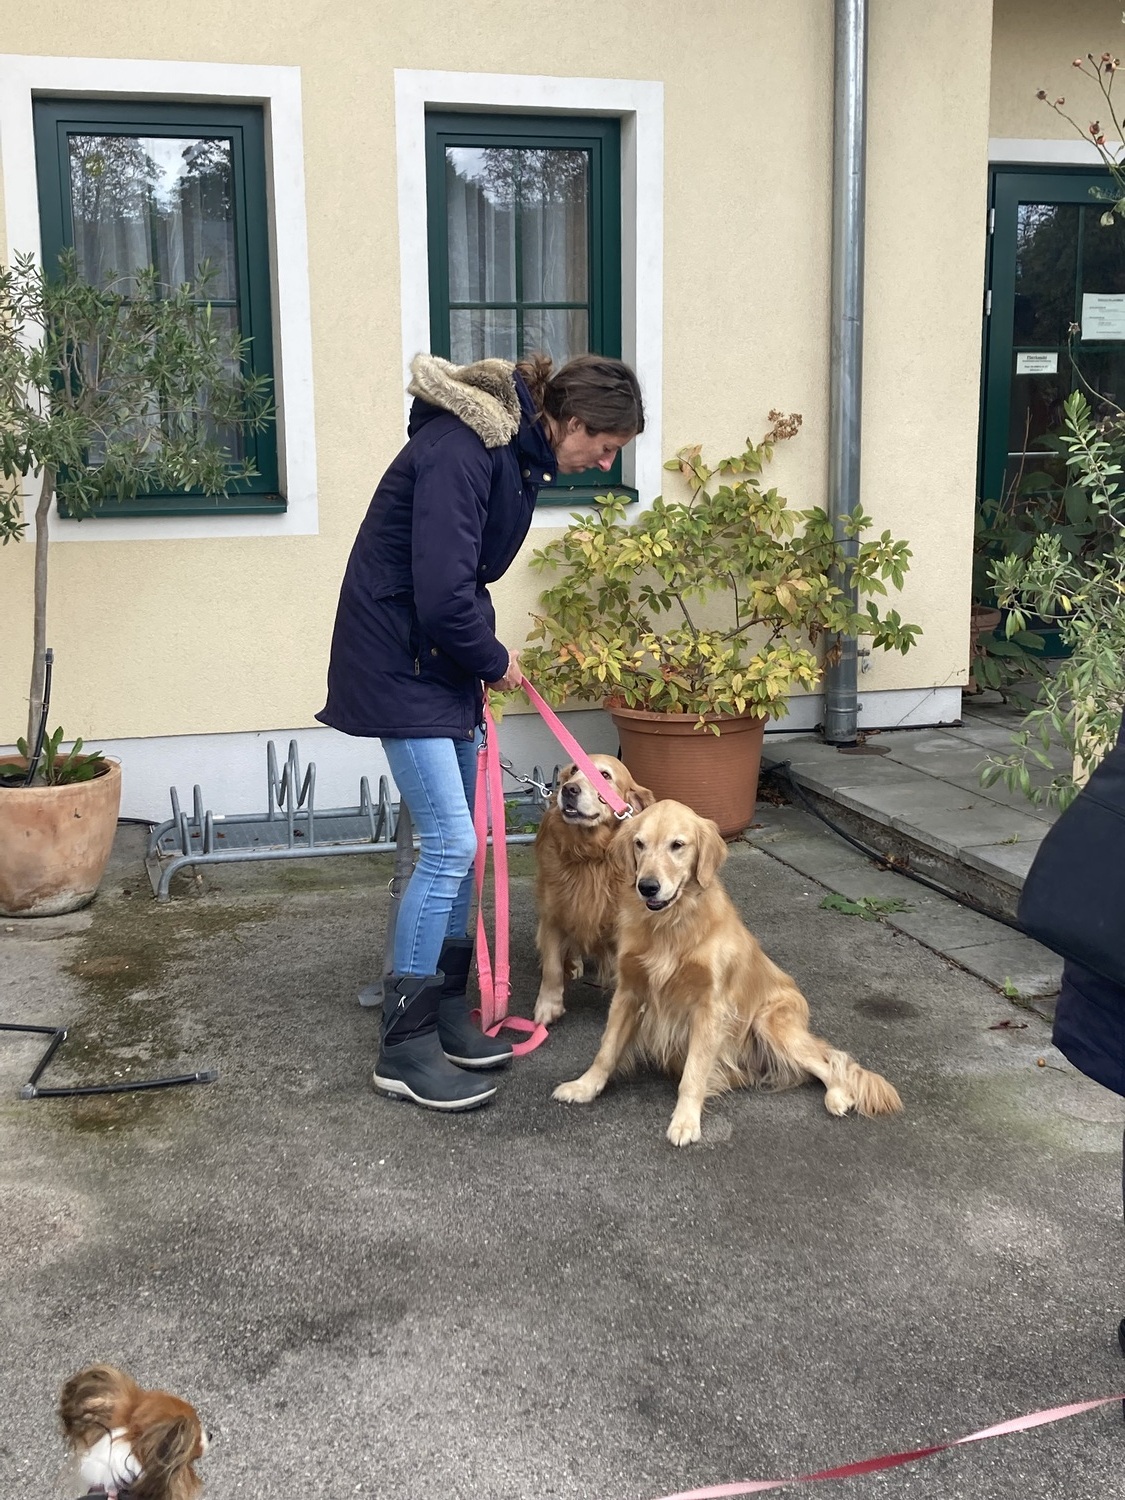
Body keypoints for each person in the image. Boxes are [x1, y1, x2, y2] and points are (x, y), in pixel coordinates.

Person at [316, 350, 644, 1112]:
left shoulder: (512, 458)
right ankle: (402, 1049)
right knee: (450, 845)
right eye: (604, 445)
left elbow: (462, 579)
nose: (605, 461)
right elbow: (440, 592)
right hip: (401, 663)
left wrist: (480, 659)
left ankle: (442, 1014)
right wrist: (492, 658)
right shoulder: (462, 451)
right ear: (569, 420)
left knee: (465, 849)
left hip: (441, 665)